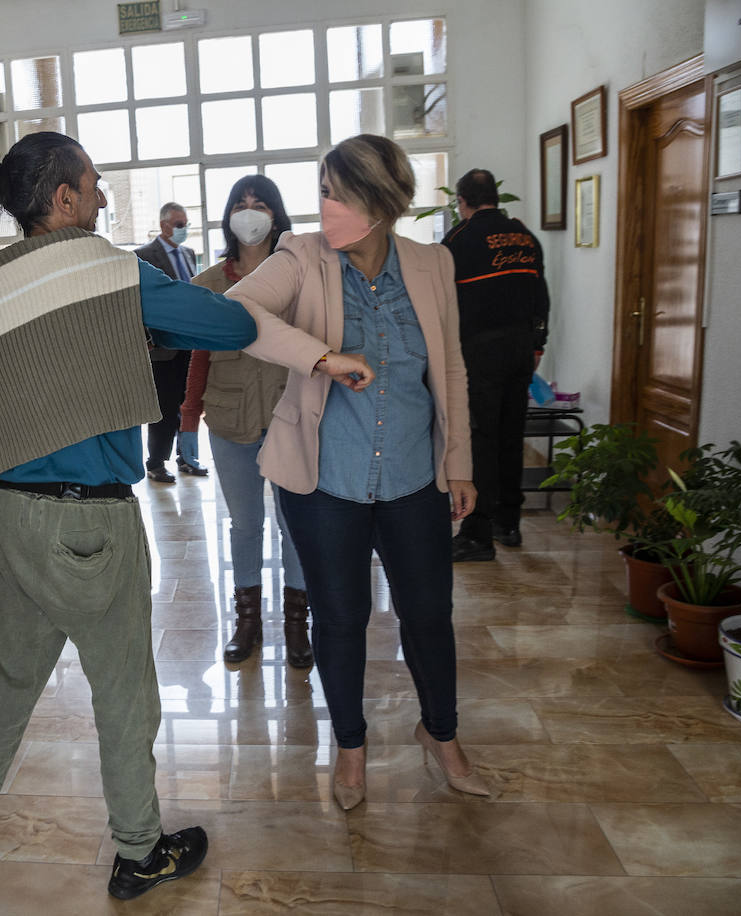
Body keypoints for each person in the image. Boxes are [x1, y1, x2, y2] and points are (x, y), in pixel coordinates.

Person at [0, 132, 368, 901]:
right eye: (94, 184)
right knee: (124, 690)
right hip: (93, 523)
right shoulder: (106, 269)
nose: (101, 197)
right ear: (62, 197)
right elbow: (229, 329)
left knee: (5, 685)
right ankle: (139, 850)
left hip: (17, 515)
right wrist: (160, 320)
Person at [227, 134, 491, 812]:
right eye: (322, 191)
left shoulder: (433, 265)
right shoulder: (302, 257)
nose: (324, 207)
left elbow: (451, 368)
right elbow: (240, 314)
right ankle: (350, 748)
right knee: (340, 618)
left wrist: (458, 461)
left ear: (381, 201)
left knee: (429, 614)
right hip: (323, 481)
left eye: (336, 193)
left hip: (412, 476)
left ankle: (442, 736)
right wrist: (320, 357)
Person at [178, 175, 312, 667]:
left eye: (260, 204)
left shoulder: (301, 277)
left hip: (290, 416)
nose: (250, 213)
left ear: (277, 215)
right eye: (241, 204)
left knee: (294, 522)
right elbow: (199, 357)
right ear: (228, 215)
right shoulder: (210, 284)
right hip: (231, 420)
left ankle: (298, 624)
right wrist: (189, 418)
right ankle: (248, 621)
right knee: (245, 523)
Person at [442, 168, 551, 562]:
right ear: (496, 197)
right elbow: (541, 294)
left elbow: (444, 306)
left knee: (481, 442)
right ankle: (509, 523)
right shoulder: (525, 236)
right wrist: (538, 343)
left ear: (462, 201)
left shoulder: (458, 240)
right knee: (510, 436)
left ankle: (477, 534)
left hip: (480, 355)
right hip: (522, 350)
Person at [134, 202, 206, 482]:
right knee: (163, 408)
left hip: (189, 344)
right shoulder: (143, 256)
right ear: (164, 225)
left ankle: (186, 457)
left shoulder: (188, 253)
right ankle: (155, 463)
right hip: (162, 349)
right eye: (178, 224)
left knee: (187, 403)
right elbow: (140, 303)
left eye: (185, 223)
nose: (183, 229)